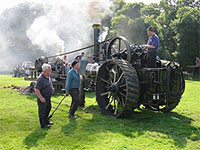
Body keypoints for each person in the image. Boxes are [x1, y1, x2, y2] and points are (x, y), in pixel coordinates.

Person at [34, 64, 54, 129]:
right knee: (42, 111)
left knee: (48, 108)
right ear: (45, 71)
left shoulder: (48, 76)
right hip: (43, 98)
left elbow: (50, 83)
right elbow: (36, 89)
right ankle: (43, 125)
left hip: (48, 98)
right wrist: (41, 98)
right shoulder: (41, 79)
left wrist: (52, 88)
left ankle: (47, 121)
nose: (50, 71)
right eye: (49, 70)